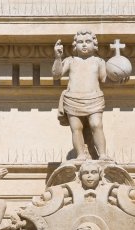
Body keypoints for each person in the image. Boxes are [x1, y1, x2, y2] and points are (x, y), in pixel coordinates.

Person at [52, 30, 109, 160]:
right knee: (76, 128)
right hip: (73, 99)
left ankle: (103, 154)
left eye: (88, 41)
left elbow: (105, 79)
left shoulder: (98, 61)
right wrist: (57, 57)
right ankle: (81, 154)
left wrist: (119, 77)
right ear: (75, 45)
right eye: (80, 42)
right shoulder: (70, 61)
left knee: (96, 125)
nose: (84, 45)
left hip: (94, 99)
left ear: (94, 45)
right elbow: (56, 74)